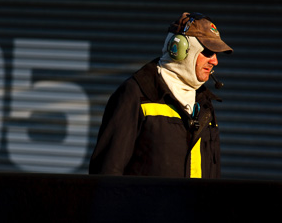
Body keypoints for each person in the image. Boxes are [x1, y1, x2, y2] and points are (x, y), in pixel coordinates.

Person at [89, 12, 233, 178]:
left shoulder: (204, 105)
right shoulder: (136, 95)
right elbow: (107, 174)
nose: (214, 61)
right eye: (207, 52)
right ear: (179, 49)